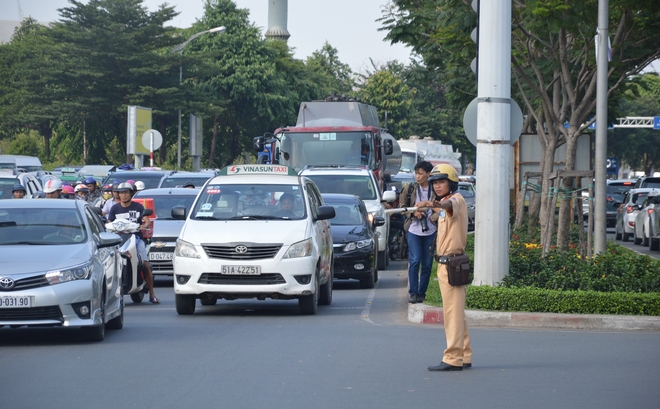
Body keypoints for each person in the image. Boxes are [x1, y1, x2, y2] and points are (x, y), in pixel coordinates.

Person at [421, 164, 471, 372]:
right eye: (435, 183)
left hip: (452, 264)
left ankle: (452, 358)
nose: (437, 186)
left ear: (451, 183)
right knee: (456, 312)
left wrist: (434, 204)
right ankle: (465, 353)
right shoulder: (443, 204)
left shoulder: (456, 200)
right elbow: (442, 212)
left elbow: (449, 205)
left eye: (442, 182)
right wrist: (429, 207)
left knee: (452, 313)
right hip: (445, 264)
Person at [107, 183, 159, 304]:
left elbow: (146, 221)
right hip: (119, 239)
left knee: (145, 264)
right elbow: (110, 222)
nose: (123, 195)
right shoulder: (114, 208)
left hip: (136, 238)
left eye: (126, 192)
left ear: (131, 193)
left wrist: (143, 225)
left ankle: (152, 294)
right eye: (121, 193)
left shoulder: (138, 207)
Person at [398, 161, 435, 304]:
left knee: (427, 264)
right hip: (414, 229)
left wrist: (433, 217)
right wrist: (414, 213)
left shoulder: (435, 189)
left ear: (428, 174)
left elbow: (441, 207)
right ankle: (413, 293)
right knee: (414, 261)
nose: (417, 176)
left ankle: (422, 293)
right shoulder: (410, 188)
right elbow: (402, 207)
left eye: (420, 173)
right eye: (416, 173)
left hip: (431, 230)